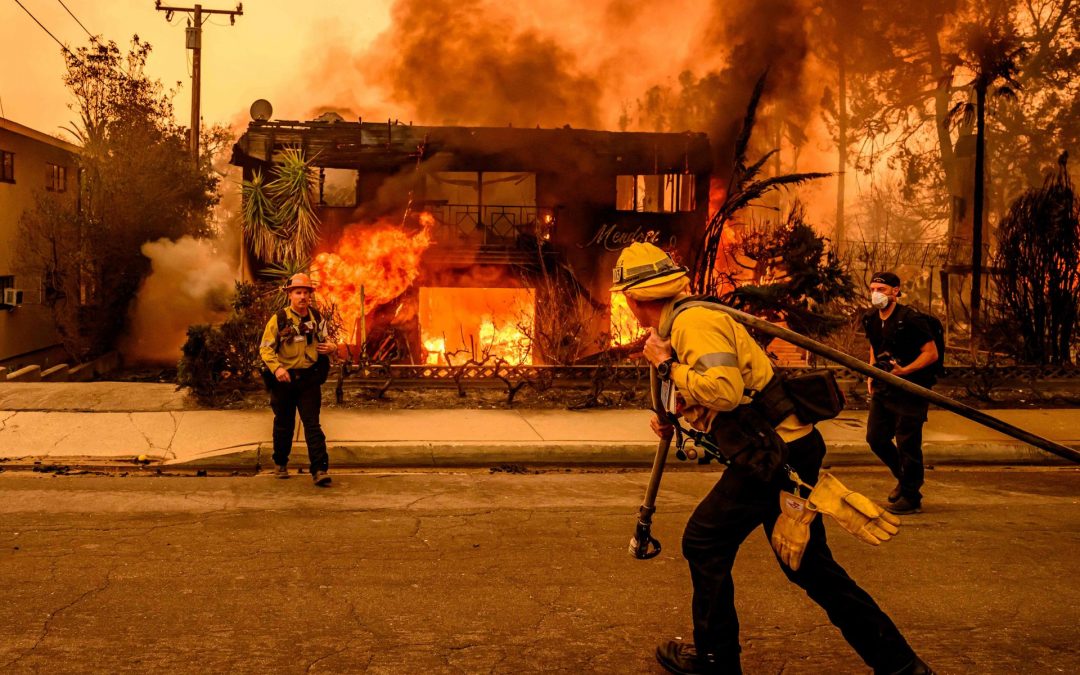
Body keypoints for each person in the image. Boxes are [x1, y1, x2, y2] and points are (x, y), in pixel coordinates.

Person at [611, 243, 932, 675]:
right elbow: (721, 390)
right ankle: (900, 666)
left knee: (704, 541)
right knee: (810, 568)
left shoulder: (693, 324)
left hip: (773, 454)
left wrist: (668, 366)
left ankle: (716, 660)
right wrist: (677, 412)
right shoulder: (684, 322)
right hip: (782, 448)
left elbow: (722, 390)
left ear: (632, 299)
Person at [862, 272, 939, 515]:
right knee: (876, 438)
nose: (876, 294)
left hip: (911, 388)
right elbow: (875, 347)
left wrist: (904, 371)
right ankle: (905, 480)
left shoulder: (911, 319)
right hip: (884, 388)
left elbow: (931, 353)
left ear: (895, 291)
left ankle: (911, 496)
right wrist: (871, 373)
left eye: (882, 290)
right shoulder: (871, 318)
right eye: (873, 288)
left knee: (908, 442)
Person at [259, 273, 337, 486]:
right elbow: (265, 350)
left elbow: (326, 340)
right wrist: (276, 369)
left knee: (312, 424)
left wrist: (332, 347)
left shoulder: (317, 318)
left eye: (306, 292)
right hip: (284, 380)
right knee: (284, 423)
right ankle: (281, 463)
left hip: (309, 380)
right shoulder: (279, 319)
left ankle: (320, 470)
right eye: (298, 292)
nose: (303, 296)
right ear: (290, 295)